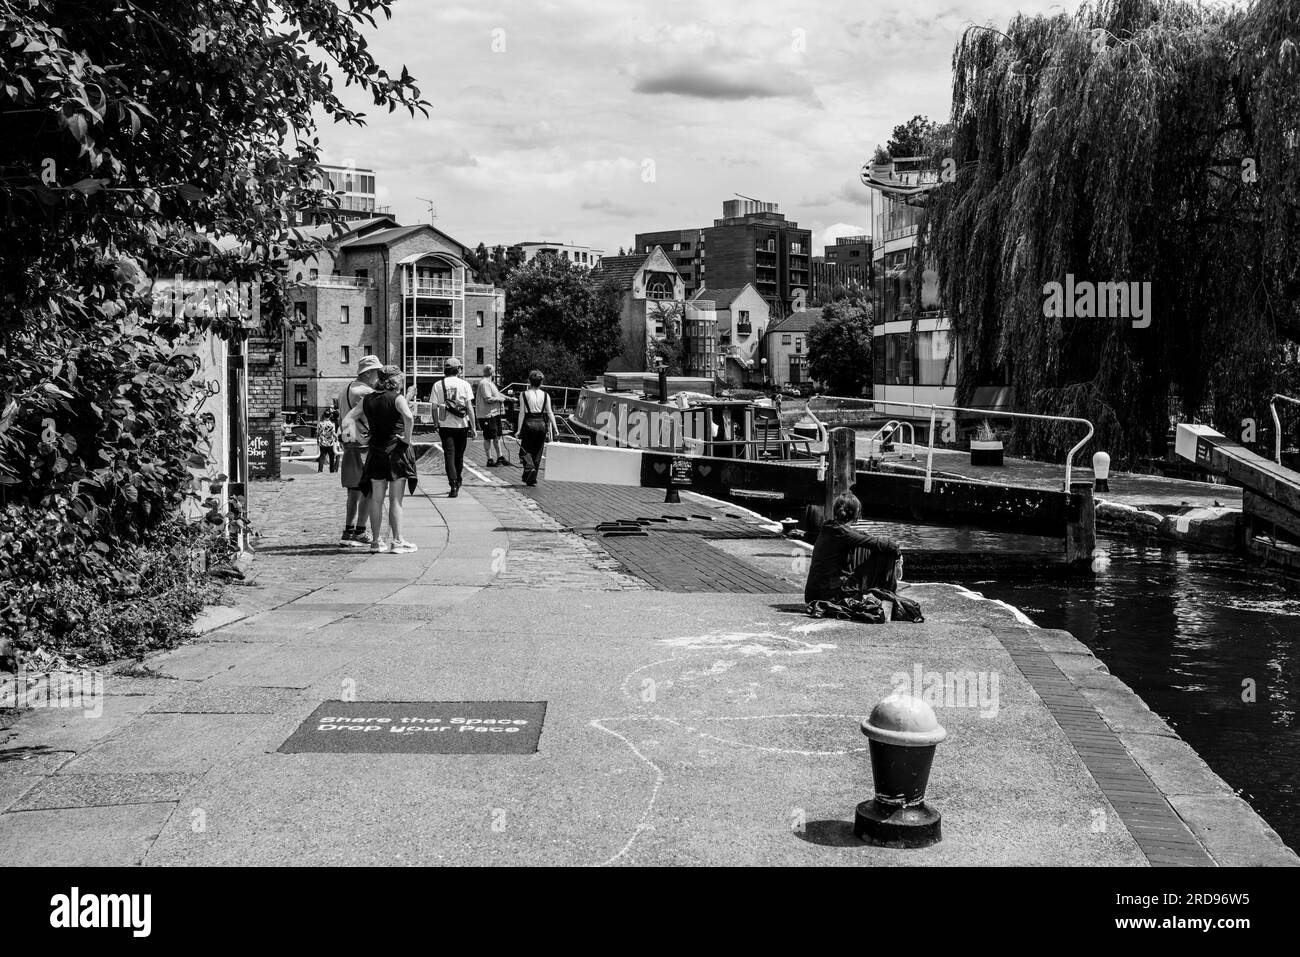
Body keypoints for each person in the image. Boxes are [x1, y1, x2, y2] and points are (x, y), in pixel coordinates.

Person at [804, 492, 903, 604]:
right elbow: (882, 544)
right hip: (830, 596)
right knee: (886, 552)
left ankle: (883, 595)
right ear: (856, 513)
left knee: (870, 546)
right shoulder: (842, 533)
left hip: (812, 594)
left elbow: (860, 536)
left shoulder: (829, 527)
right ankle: (888, 597)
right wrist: (898, 554)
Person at [359, 365, 418, 554]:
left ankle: (376, 541)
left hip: (375, 452)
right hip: (395, 453)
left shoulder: (367, 399)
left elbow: (348, 419)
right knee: (395, 499)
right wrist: (407, 439)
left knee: (376, 499)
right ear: (396, 380)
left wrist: (360, 438)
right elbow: (408, 417)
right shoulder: (397, 398)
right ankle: (397, 541)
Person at [338, 355, 382, 547]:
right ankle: (361, 531)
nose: (378, 376)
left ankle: (348, 530)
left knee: (353, 491)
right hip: (363, 444)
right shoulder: (366, 392)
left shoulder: (345, 389)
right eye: (377, 372)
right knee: (368, 490)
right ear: (369, 372)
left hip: (349, 442)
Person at [433, 356, 476, 498]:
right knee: (459, 455)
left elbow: (434, 407)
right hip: (462, 425)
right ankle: (458, 479)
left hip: (445, 425)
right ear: (458, 369)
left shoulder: (438, 385)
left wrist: (436, 423)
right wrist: (474, 427)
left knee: (449, 455)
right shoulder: (465, 384)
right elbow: (469, 408)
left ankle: (453, 484)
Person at [516, 369, 559, 487]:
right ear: (541, 382)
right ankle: (531, 478)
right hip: (542, 424)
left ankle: (530, 469)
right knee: (538, 451)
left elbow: (522, 413)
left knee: (524, 450)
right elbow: (550, 412)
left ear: (529, 381)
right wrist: (555, 428)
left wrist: (519, 429)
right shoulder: (546, 395)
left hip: (529, 423)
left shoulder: (524, 394)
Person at [475, 364, 509, 467]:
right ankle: (489, 459)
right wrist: (501, 400)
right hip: (487, 415)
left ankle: (500, 457)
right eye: (494, 371)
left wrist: (509, 399)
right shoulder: (485, 383)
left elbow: (498, 394)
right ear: (492, 372)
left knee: (497, 436)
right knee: (488, 437)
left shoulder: (491, 383)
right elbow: (488, 399)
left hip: (494, 414)